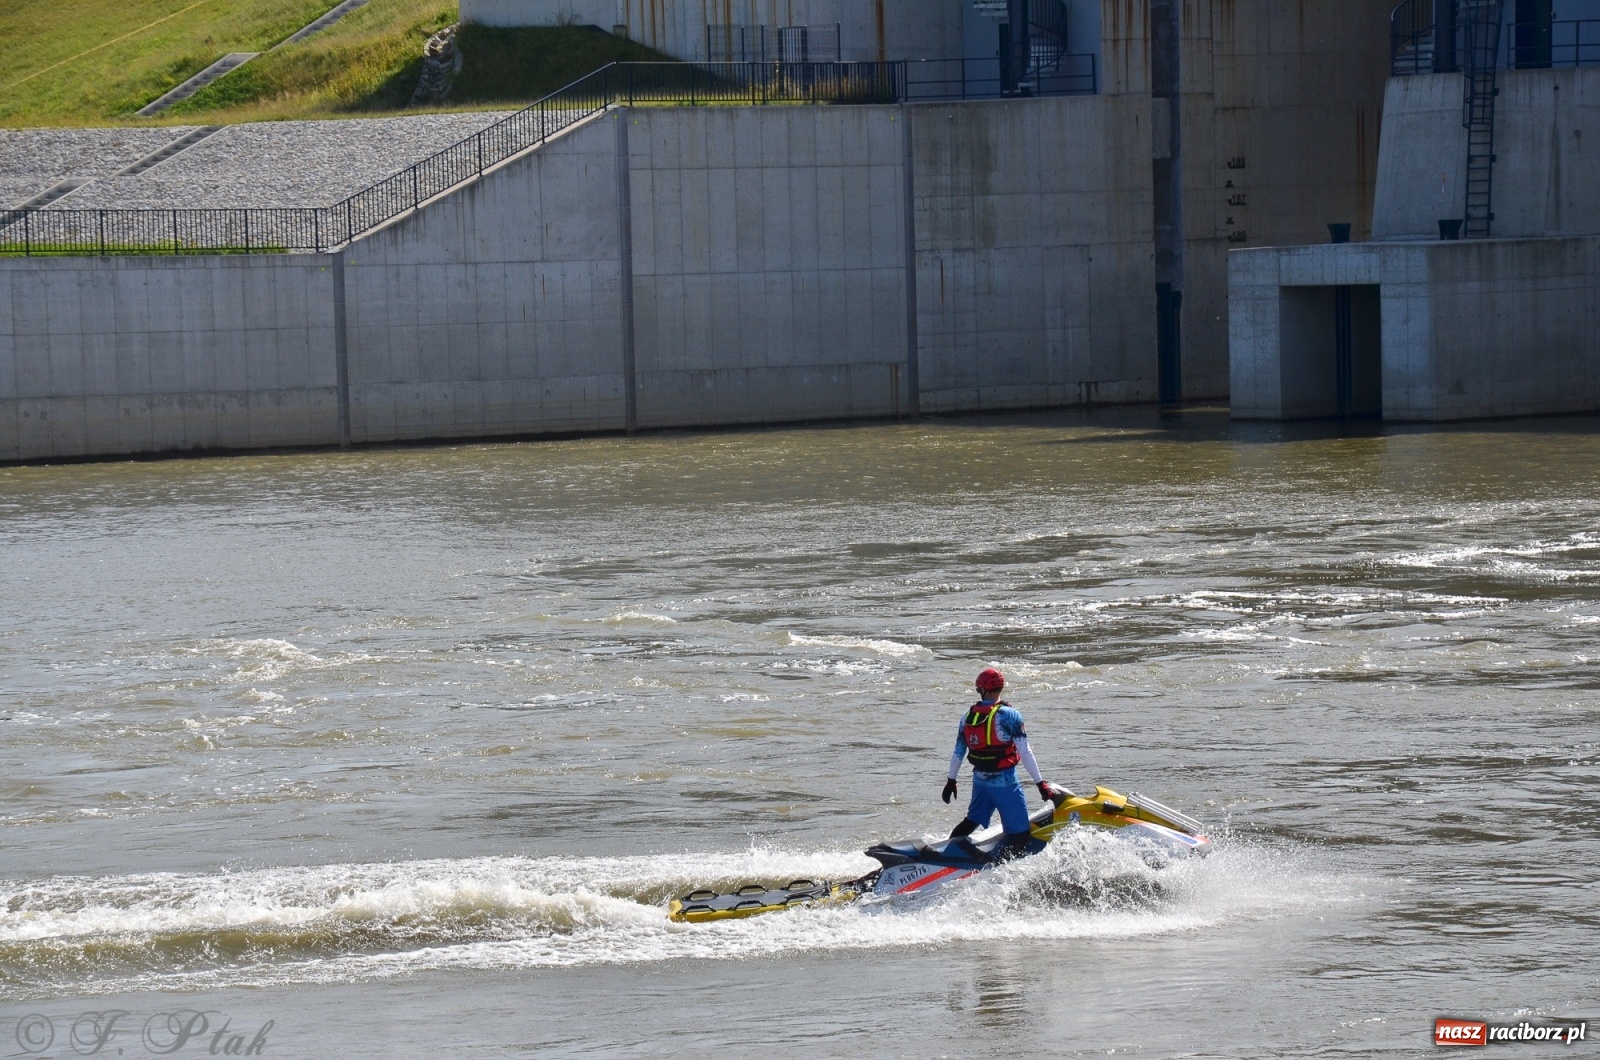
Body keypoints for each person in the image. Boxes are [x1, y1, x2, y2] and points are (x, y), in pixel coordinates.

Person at [941, 667, 1061, 860]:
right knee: (1021, 833)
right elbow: (1025, 752)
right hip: (1005, 783)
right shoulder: (1010, 716)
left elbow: (958, 752)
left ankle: (945, 856)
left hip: (980, 781)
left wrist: (951, 781)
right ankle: (997, 866)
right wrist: (1041, 784)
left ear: (982, 690)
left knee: (971, 821)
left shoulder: (967, 716)